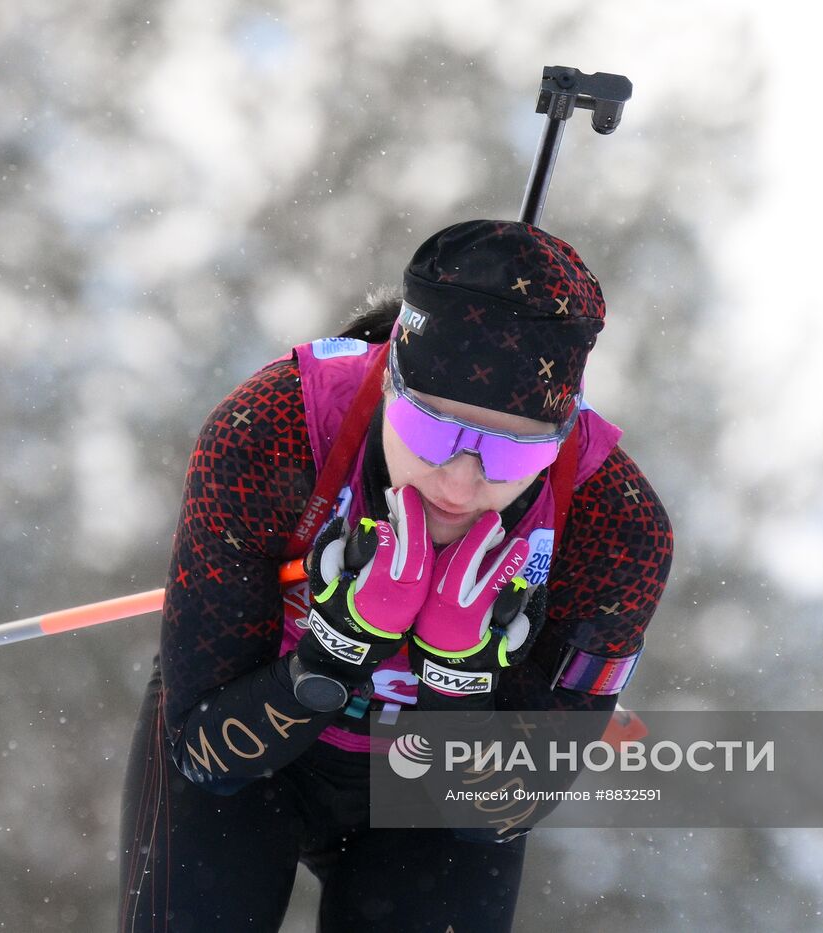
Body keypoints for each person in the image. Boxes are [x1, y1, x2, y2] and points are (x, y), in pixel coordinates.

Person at [118, 220, 673, 932]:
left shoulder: (617, 527)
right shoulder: (272, 427)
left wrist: (458, 674)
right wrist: (338, 646)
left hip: (428, 801)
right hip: (253, 737)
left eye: (511, 451)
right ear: (389, 380)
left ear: (562, 436)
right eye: (434, 430)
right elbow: (206, 752)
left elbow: (508, 808)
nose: (461, 480)